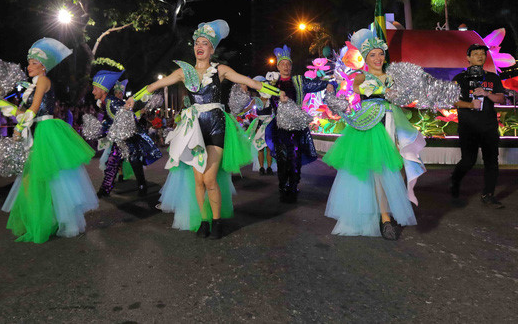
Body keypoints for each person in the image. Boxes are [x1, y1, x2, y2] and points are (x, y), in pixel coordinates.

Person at [127, 19, 280, 239]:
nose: (199, 46)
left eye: (205, 43)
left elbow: (250, 81)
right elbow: (155, 85)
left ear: (212, 49)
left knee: (209, 179)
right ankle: (205, 221)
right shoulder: (183, 72)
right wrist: (135, 98)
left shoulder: (221, 70)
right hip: (194, 129)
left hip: (216, 125)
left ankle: (217, 221)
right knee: (198, 180)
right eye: (197, 42)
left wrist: (277, 93)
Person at [322, 28, 425, 240]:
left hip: (392, 125)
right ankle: (385, 219)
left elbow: (401, 98)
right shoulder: (360, 76)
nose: (378, 58)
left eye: (380, 53)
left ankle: (386, 212)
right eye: (372, 55)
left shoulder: (392, 77)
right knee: (378, 171)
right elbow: (361, 90)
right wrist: (387, 90)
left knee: (396, 170)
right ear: (366, 58)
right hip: (371, 127)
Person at [0, 37, 99, 243]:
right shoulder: (32, 85)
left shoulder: (43, 80)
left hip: (46, 130)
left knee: (49, 177)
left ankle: (57, 220)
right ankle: (49, 218)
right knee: (37, 178)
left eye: (34, 63)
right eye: (29, 63)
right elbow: (22, 112)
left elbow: (32, 111)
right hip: (39, 130)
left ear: (43, 67)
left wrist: (19, 128)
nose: (29, 67)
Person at [265, 46, 334, 203]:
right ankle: (283, 186)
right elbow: (270, 102)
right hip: (280, 128)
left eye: (288, 64)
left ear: (291, 65)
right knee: (282, 159)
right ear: (277, 66)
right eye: (282, 64)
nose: (286, 66)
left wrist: (328, 84)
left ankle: (293, 185)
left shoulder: (298, 81)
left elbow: (315, 84)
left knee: (294, 157)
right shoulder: (273, 85)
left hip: (296, 128)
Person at [450, 44, 505, 208]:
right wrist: (470, 105)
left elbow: (500, 99)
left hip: (488, 127)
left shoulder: (493, 77)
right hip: (468, 127)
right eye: (475, 54)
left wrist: (487, 93)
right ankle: (455, 183)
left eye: (482, 53)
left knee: (491, 162)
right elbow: (452, 101)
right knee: (468, 160)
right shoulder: (459, 79)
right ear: (468, 58)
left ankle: (488, 194)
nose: (480, 56)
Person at [92, 70, 162, 198]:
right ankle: (105, 189)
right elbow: (110, 121)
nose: (93, 92)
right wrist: (101, 130)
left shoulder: (112, 102)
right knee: (112, 161)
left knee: (134, 161)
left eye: (95, 89)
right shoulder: (107, 102)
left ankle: (142, 186)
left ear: (103, 89)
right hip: (120, 138)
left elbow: (129, 119)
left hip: (129, 137)